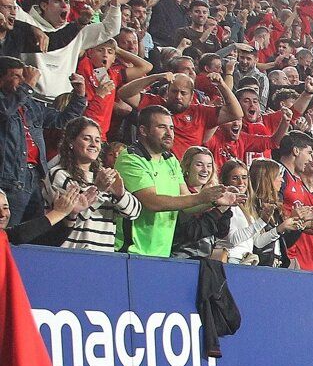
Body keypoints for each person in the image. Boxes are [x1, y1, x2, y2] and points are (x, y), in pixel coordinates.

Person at [116, 106, 233, 256]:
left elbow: (186, 205)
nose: (169, 133)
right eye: (161, 127)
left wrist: (214, 200)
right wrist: (200, 197)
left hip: (163, 253)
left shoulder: (170, 160)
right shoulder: (131, 158)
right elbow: (152, 202)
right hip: (132, 252)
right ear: (143, 131)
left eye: (171, 128)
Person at [0, 54, 85, 226]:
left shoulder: (29, 104)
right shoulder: (7, 103)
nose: (22, 81)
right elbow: (5, 112)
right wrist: (29, 86)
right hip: (9, 180)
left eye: (23, 76)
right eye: (16, 76)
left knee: (34, 234)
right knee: (10, 233)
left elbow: (62, 120)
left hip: (36, 178)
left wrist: (79, 95)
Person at [46, 117, 141, 252]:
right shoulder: (59, 174)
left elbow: (134, 213)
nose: (93, 144)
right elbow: (71, 219)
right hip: (71, 254)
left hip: (103, 256)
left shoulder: (104, 176)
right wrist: (99, 190)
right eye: (86, 139)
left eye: (97, 140)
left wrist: (121, 195)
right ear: (71, 142)